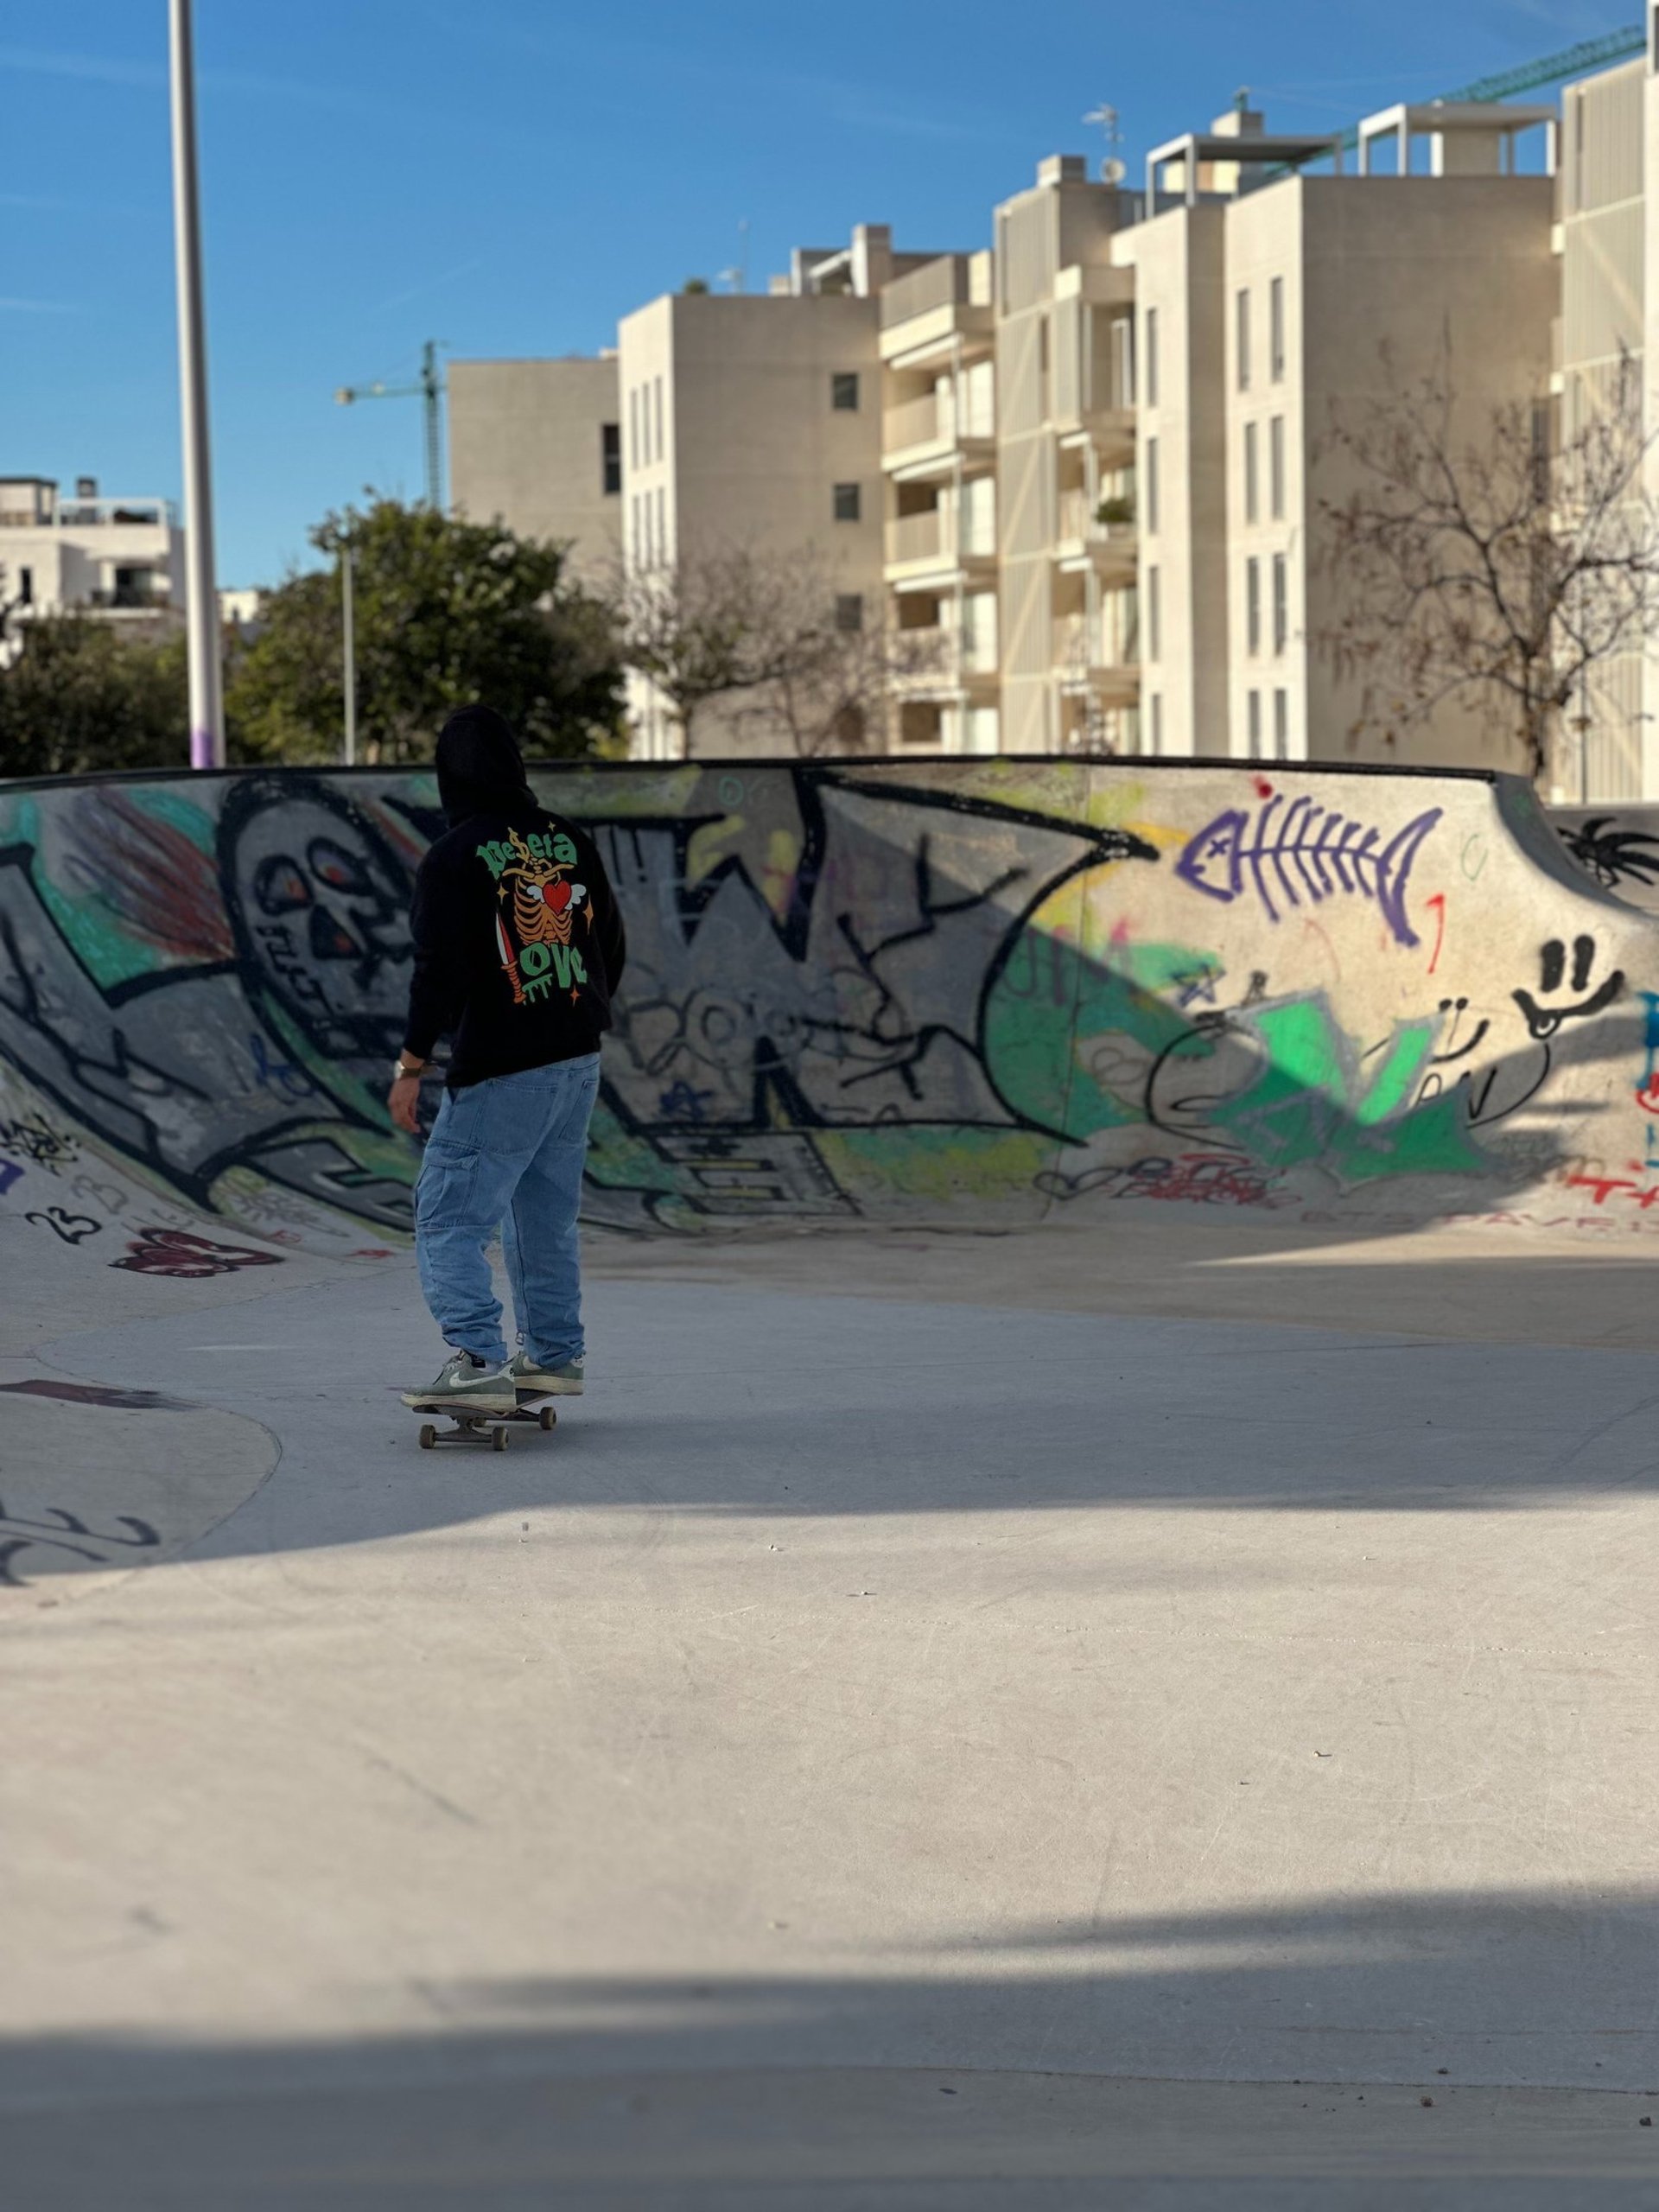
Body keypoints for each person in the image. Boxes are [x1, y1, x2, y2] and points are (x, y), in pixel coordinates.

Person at [390, 706, 626, 1415]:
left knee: (448, 1219)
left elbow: (439, 972)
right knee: (542, 1217)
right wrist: (581, 1012)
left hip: (501, 1068)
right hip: (576, 1060)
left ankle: (478, 1360)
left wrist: (410, 1068)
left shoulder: (455, 857)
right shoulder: (568, 840)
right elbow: (608, 942)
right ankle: (554, 1355)